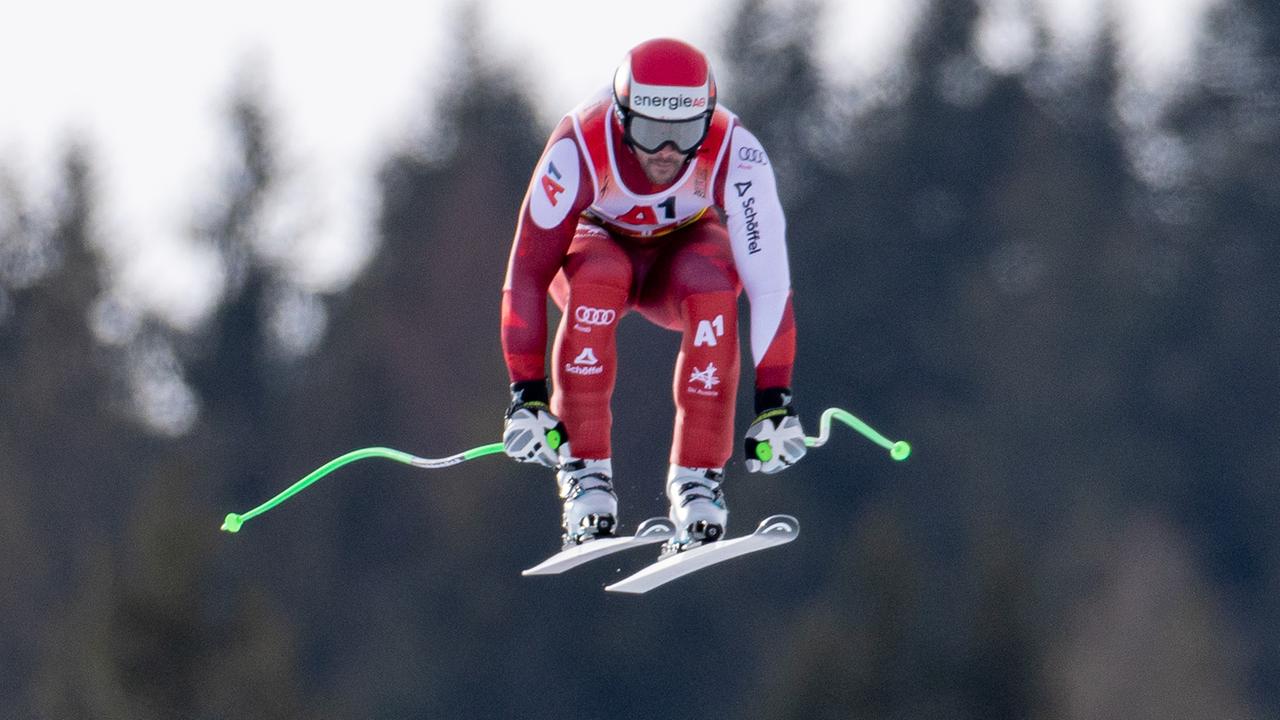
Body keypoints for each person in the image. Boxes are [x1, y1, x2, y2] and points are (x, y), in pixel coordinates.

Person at [500, 38, 807, 551]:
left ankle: (698, 484)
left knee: (714, 293)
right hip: (593, 248)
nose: (666, 152)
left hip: (680, 255)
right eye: (649, 132)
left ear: (706, 121)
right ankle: (585, 480)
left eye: (684, 134)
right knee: (599, 279)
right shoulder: (580, 144)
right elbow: (527, 272)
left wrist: (775, 401)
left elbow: (770, 282)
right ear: (622, 119)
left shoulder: (736, 150)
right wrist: (526, 396)